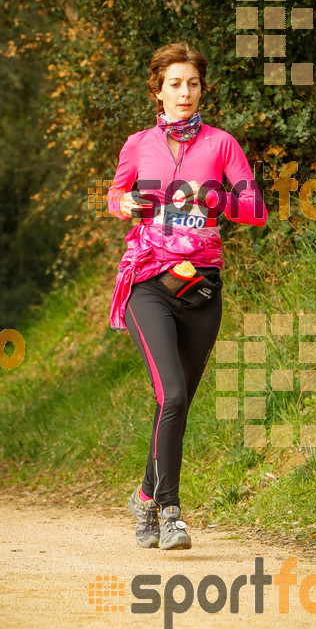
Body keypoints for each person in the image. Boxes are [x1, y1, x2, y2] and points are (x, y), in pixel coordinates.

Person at [106, 41, 267, 551]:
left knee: (174, 402)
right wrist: (124, 201)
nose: (184, 92)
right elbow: (113, 195)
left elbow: (255, 208)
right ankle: (171, 512)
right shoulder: (138, 143)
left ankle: (143, 495)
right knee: (171, 393)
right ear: (158, 91)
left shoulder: (221, 144)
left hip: (201, 285)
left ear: (202, 89)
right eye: (174, 83)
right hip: (148, 282)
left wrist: (216, 198)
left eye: (192, 83)